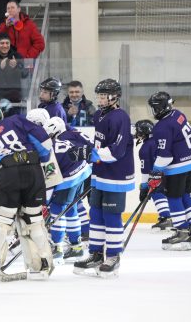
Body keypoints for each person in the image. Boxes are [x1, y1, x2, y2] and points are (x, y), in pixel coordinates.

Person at [0, 105, 54, 279]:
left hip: (8, 173)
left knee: (1, 222)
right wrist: (44, 158)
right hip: (34, 169)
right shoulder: (16, 120)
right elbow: (43, 140)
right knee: (33, 220)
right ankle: (44, 261)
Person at [70, 79, 134, 277]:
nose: (100, 99)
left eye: (104, 95)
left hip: (117, 174)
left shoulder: (120, 117)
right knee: (96, 214)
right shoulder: (98, 115)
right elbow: (100, 142)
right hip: (99, 173)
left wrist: (91, 155)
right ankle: (96, 254)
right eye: (99, 95)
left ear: (114, 96)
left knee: (111, 216)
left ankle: (113, 256)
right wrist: (87, 150)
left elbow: (118, 150)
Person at [147, 91, 191, 250]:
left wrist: (155, 171)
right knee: (185, 194)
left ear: (161, 107)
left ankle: (182, 232)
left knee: (173, 197)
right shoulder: (178, 114)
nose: (153, 111)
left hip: (178, 166)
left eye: (154, 108)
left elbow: (165, 156)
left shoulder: (162, 127)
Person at [43, 117, 92, 263]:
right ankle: (76, 246)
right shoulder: (64, 138)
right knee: (71, 208)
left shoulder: (46, 150)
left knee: (57, 208)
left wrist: (46, 201)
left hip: (70, 177)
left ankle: (57, 247)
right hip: (83, 172)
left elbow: (50, 180)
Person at [135, 119, 172, 232]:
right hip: (171, 172)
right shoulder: (157, 140)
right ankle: (170, 216)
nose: (137, 134)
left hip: (160, 174)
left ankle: (166, 217)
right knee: (168, 195)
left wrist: (144, 187)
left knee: (155, 191)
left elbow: (146, 171)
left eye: (139, 131)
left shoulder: (145, 148)